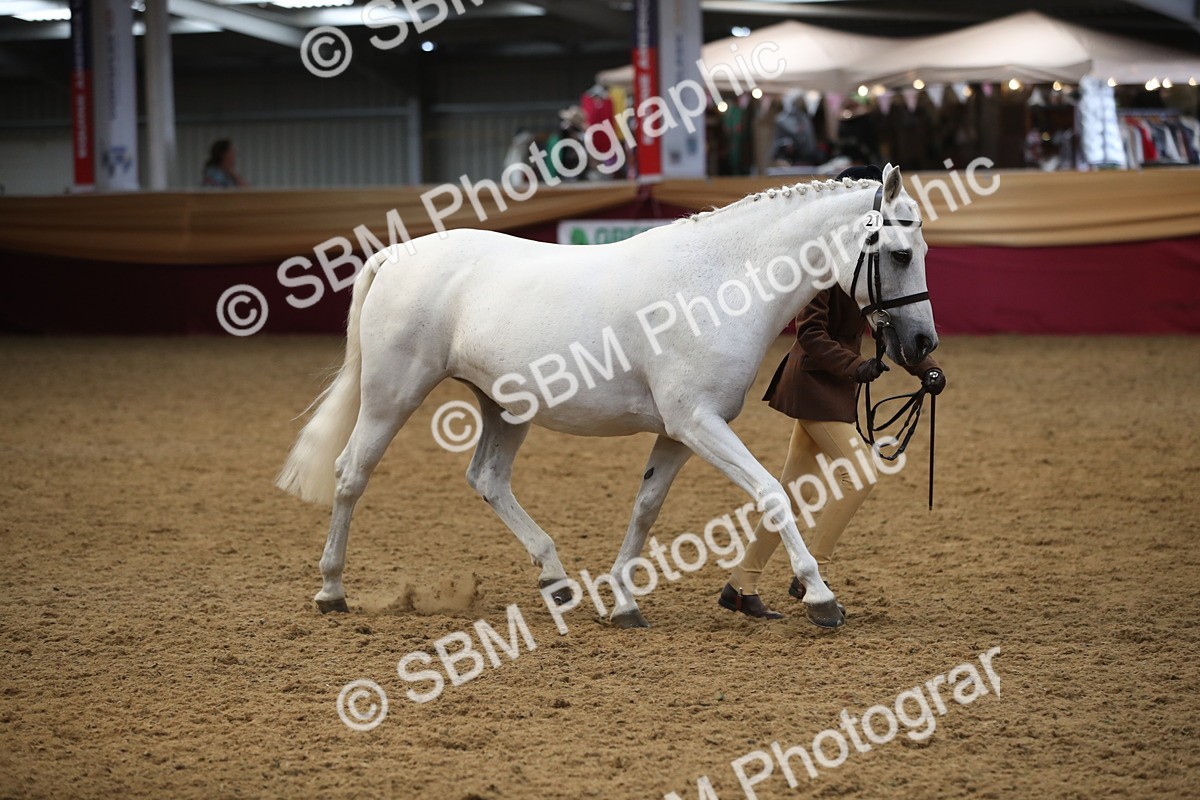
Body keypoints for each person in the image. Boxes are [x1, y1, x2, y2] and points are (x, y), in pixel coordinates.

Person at [717, 165, 946, 620]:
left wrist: (927, 368)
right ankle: (812, 573)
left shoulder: (869, 265)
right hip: (813, 383)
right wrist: (854, 365)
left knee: (794, 491)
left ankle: (741, 586)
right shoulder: (823, 268)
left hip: (834, 387)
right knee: (859, 476)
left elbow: (888, 322)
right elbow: (810, 335)